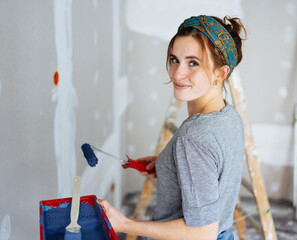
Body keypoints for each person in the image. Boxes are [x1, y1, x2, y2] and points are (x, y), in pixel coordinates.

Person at [98, 15, 246, 240]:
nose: (177, 73)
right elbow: (215, 171)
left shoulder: (193, 137)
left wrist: (125, 223)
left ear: (221, 72)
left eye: (193, 63)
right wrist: (171, 166)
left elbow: (203, 232)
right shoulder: (229, 116)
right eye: (174, 59)